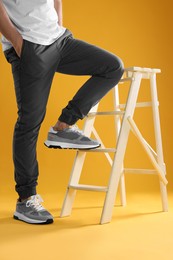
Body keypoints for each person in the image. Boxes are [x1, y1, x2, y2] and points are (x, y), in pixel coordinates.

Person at [0, 0, 124, 224]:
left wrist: (58, 27)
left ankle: (63, 126)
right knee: (30, 122)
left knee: (112, 67)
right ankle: (26, 199)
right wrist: (17, 42)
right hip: (29, 45)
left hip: (59, 40)